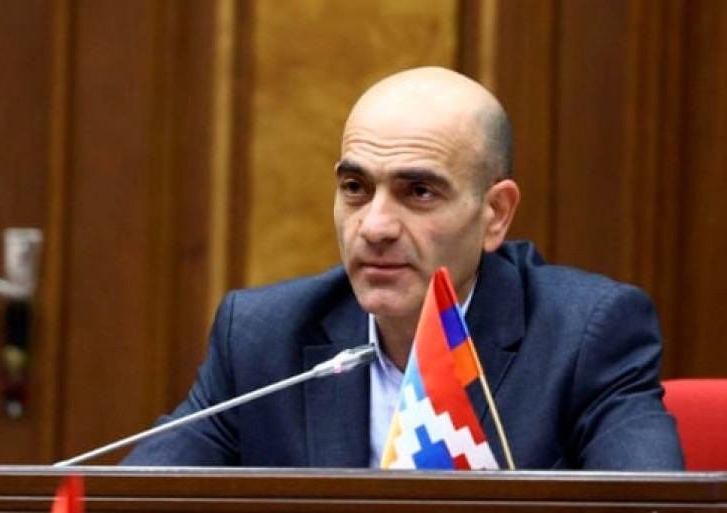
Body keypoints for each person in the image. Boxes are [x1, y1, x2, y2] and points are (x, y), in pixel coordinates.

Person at [122, 66, 684, 469]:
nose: (374, 226)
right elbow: (135, 497)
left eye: (418, 192)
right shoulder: (261, 339)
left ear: (495, 214)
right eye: (355, 188)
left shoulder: (585, 336)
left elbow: (653, 506)